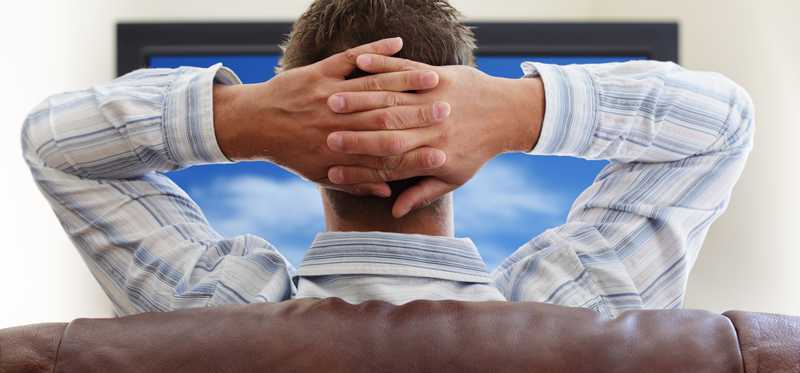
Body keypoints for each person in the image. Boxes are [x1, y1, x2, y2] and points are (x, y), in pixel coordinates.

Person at [22, 0, 754, 318]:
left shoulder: (212, 309)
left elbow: (55, 142)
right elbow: (723, 123)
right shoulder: (574, 307)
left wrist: (245, 118)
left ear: (300, 148)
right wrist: (517, 109)